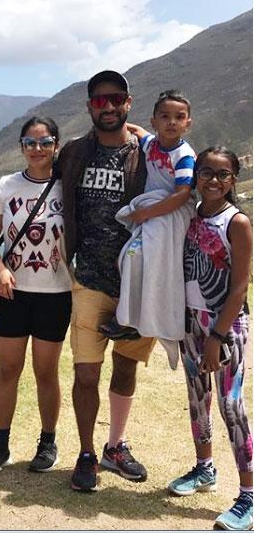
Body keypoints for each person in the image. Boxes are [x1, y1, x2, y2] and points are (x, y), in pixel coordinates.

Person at [59, 70, 155, 491]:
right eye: (100, 101)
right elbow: (40, 179)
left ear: (128, 103)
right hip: (89, 281)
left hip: (137, 281)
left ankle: (116, 446)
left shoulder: (148, 152)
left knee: (127, 366)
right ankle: (86, 454)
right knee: (85, 373)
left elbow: (186, 170)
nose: (109, 107)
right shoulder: (76, 152)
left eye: (116, 99)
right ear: (89, 108)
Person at [0, 116, 73, 474]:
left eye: (45, 142)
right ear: (21, 146)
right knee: (8, 370)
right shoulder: (6, 186)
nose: (37, 149)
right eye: (30, 142)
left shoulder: (69, 186)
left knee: (46, 372)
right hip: (12, 292)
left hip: (56, 292)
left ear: (57, 146)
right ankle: (1, 445)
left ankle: (48, 443)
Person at [167, 146, 252, 531]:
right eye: (206, 172)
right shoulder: (193, 215)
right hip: (191, 324)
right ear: (196, 175)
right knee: (197, 400)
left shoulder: (237, 222)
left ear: (233, 179)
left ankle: (249, 496)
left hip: (226, 327)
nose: (213, 181)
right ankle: (205, 469)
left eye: (222, 174)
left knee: (231, 405)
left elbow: (238, 288)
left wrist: (218, 336)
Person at [99, 91, 196, 362]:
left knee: (136, 257)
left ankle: (131, 318)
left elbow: (182, 194)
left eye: (179, 117)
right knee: (128, 259)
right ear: (155, 121)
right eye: (165, 117)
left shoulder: (184, 155)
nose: (172, 123)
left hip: (171, 213)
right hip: (153, 211)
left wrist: (146, 213)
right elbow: (138, 131)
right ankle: (133, 315)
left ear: (188, 123)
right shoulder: (151, 144)